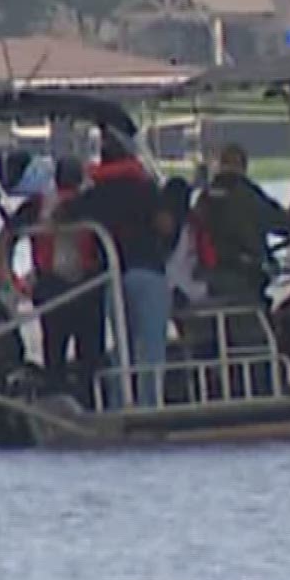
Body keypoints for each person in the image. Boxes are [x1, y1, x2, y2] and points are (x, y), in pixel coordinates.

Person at [63, 135, 174, 406]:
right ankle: (150, 404)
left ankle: (117, 401)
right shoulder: (145, 189)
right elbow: (165, 225)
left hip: (113, 276)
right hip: (148, 271)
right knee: (151, 347)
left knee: (121, 346)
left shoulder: (95, 194)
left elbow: (64, 215)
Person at [0, 157, 103, 401]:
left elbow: (5, 238)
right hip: (81, 288)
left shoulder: (38, 204)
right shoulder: (90, 203)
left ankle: (58, 398)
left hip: (57, 287)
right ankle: (88, 402)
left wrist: (8, 280)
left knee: (56, 352)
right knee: (89, 358)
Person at [193, 143, 290, 303]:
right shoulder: (248, 195)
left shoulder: (204, 197)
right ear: (244, 166)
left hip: (206, 274)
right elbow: (283, 224)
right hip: (243, 274)